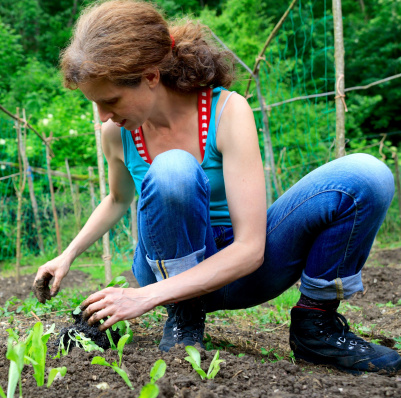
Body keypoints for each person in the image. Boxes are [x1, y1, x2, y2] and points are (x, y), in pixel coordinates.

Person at [33, 0, 401, 374]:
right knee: (172, 170)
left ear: (150, 76)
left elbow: (250, 249)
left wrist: (143, 298)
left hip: (243, 272)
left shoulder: (227, 112)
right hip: (164, 269)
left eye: (110, 100)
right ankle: (184, 316)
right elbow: (117, 198)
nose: (102, 117)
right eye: (95, 104)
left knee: (367, 175)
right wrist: (68, 254)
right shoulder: (117, 133)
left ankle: (315, 327)